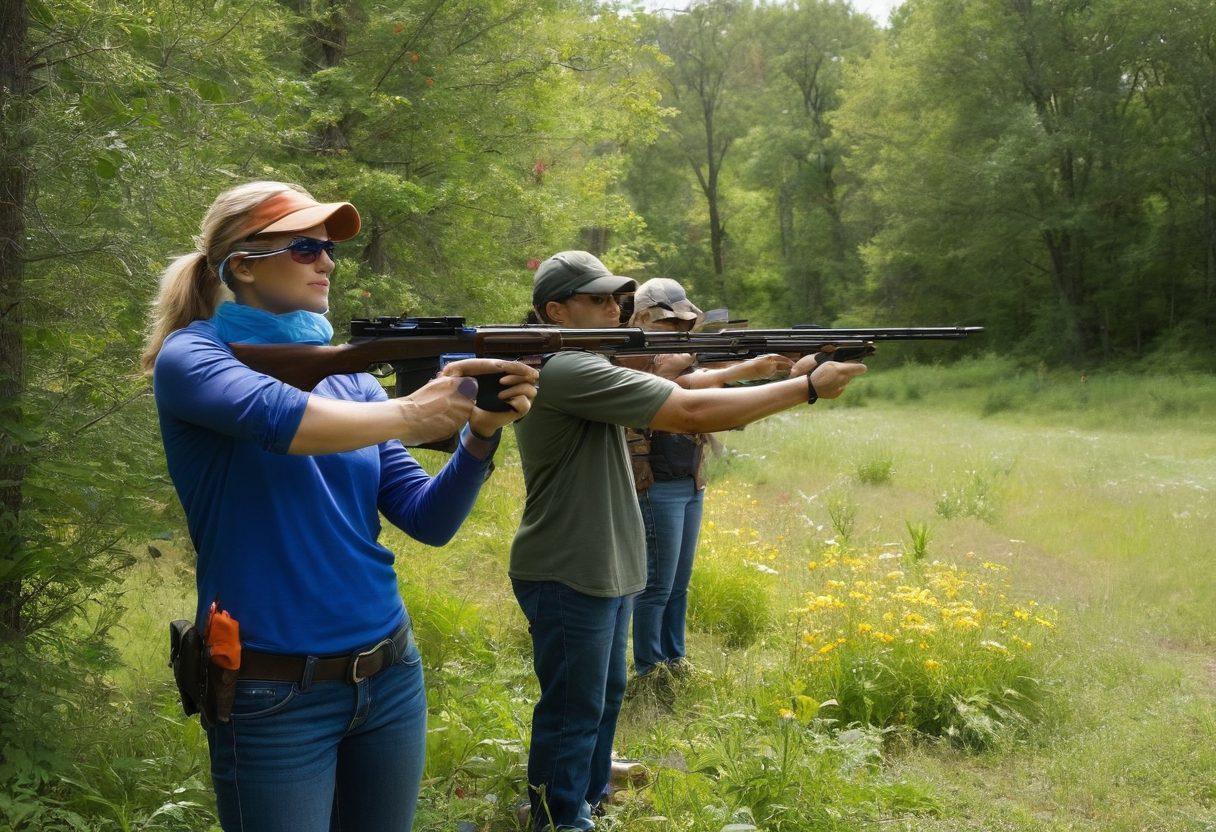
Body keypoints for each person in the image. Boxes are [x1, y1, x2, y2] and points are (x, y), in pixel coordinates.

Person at [141, 180, 538, 832]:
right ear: (242, 264)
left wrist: (480, 432)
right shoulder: (192, 358)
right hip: (271, 692)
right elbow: (276, 417)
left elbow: (426, 517)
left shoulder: (347, 376)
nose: (327, 261)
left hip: (390, 676)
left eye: (328, 248)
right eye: (304, 247)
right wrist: (410, 411)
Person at [510, 251, 865, 831]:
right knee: (574, 710)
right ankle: (558, 819)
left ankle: (588, 798)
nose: (614, 309)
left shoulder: (586, 365)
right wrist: (806, 387)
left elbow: (686, 382)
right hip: (569, 563)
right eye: (597, 300)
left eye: (616, 298)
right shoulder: (567, 369)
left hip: (602, 560)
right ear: (556, 310)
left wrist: (766, 371)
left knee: (602, 697)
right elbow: (692, 408)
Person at [623, 278, 794, 680]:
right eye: (670, 324)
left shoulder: (682, 353)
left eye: (685, 326)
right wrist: (739, 365)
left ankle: (674, 659)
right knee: (655, 586)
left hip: (689, 478)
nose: (680, 332)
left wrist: (773, 369)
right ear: (643, 317)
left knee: (678, 583)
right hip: (654, 482)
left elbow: (708, 384)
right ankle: (649, 668)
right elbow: (677, 385)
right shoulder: (629, 356)